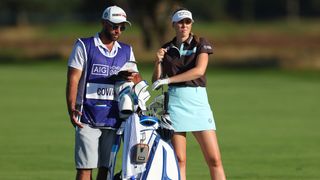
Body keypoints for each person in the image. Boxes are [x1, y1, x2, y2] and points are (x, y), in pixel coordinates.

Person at [152, 8, 226, 180]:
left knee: (214, 159)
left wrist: (169, 80)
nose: (184, 25)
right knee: (179, 159)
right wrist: (158, 62)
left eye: (187, 22)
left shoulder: (201, 43)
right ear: (173, 25)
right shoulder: (166, 48)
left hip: (198, 103)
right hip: (175, 104)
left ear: (191, 24)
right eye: (180, 22)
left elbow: (199, 71)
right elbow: (156, 80)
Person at [66, 5, 139, 180]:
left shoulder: (127, 50)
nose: (118, 30)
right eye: (114, 25)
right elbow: (73, 79)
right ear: (103, 23)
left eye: (122, 27)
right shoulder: (84, 45)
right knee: (85, 168)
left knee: (106, 170)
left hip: (114, 118)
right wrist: (71, 108)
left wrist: (128, 78)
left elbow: (136, 79)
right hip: (87, 117)